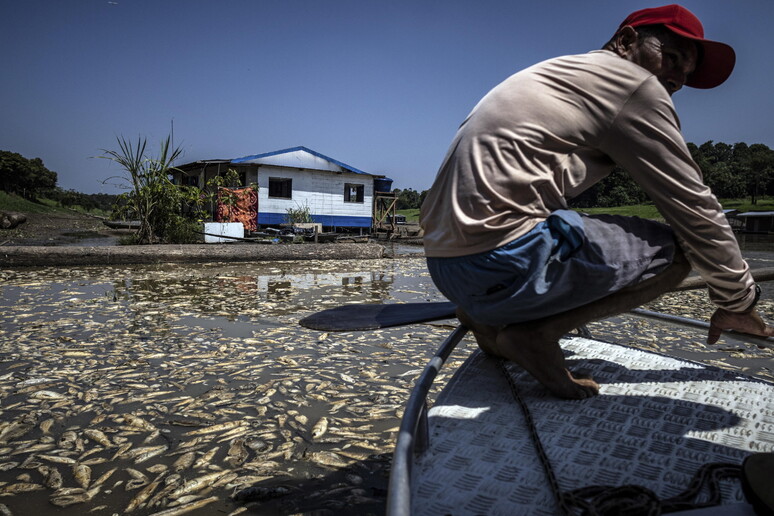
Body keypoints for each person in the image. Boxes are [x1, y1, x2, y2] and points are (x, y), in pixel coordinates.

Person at [419, 4, 774, 400]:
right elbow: (694, 208)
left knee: (566, 220)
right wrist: (738, 299)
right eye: (671, 58)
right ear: (626, 41)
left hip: (445, 267)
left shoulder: (562, 73)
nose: (676, 79)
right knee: (678, 251)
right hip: (498, 261)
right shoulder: (633, 84)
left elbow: (544, 178)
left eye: (686, 74)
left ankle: (482, 322)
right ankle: (535, 335)